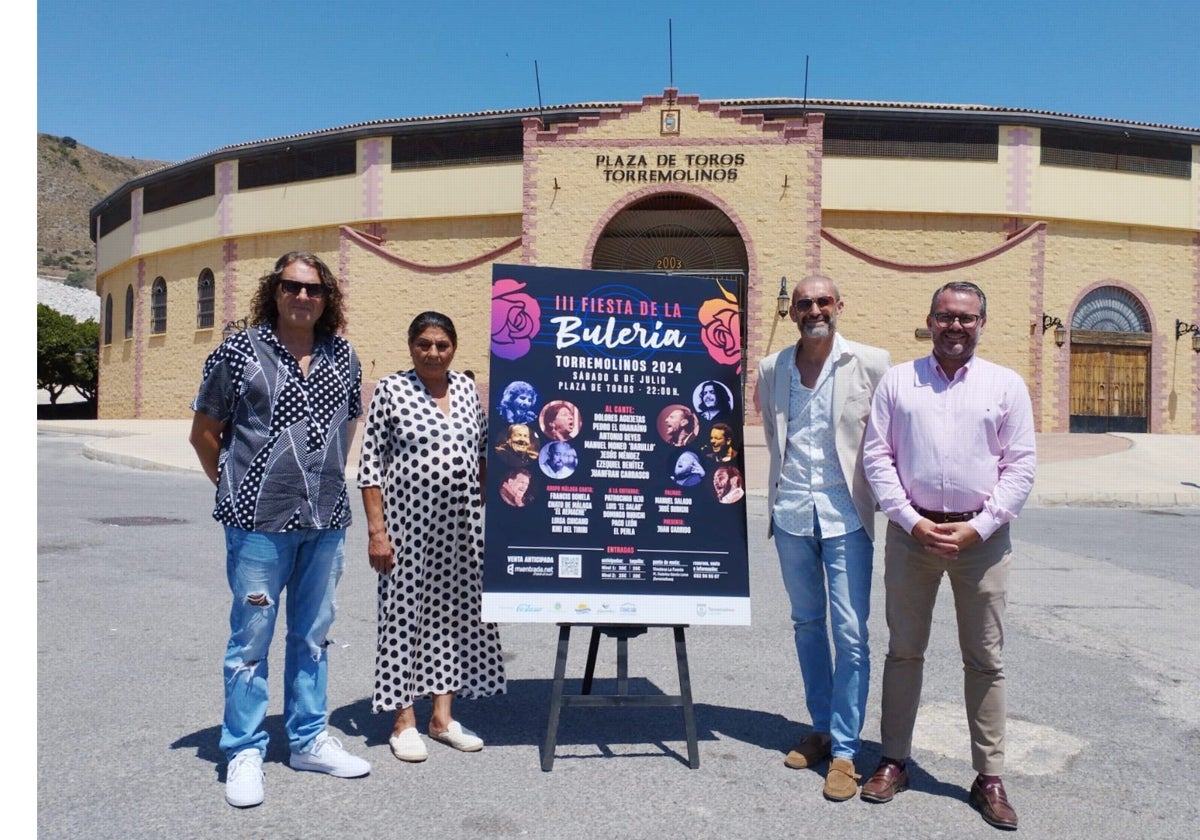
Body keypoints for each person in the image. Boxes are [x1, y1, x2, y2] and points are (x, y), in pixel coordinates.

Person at [189, 251, 371, 809]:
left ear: (326, 298)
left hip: (325, 521)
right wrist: (238, 491)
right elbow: (204, 433)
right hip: (258, 526)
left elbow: (350, 422)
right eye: (291, 286)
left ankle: (309, 738)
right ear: (275, 291)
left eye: (313, 289)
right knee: (251, 639)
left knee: (313, 636)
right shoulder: (239, 352)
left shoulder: (343, 355)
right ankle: (243, 747)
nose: (302, 297)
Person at [861, 281, 1035, 830]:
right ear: (929, 320)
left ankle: (989, 777)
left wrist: (978, 528)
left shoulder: (1005, 385)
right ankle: (893, 760)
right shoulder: (898, 381)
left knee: (985, 660)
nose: (955, 326)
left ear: (982, 322)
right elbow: (878, 457)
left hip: (980, 543)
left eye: (966, 317)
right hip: (911, 535)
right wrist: (911, 520)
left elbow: (1021, 466)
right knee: (904, 652)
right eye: (945, 316)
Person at [754, 274, 891, 802]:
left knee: (852, 633)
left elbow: (888, 435)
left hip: (846, 516)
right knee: (807, 624)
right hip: (791, 513)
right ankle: (822, 727)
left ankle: (846, 752)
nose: (814, 309)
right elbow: (773, 434)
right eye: (804, 303)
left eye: (823, 301)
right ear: (792, 312)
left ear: (840, 305)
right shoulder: (773, 368)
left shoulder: (871, 364)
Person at [358, 312, 506, 764]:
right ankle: (404, 720)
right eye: (424, 344)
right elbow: (370, 466)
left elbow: (482, 451)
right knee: (403, 618)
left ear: (454, 348)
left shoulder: (464, 388)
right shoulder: (391, 390)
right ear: (411, 346)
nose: (433, 352)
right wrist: (377, 532)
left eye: (442, 344)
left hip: (460, 531)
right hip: (407, 528)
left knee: (454, 617)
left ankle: (442, 717)